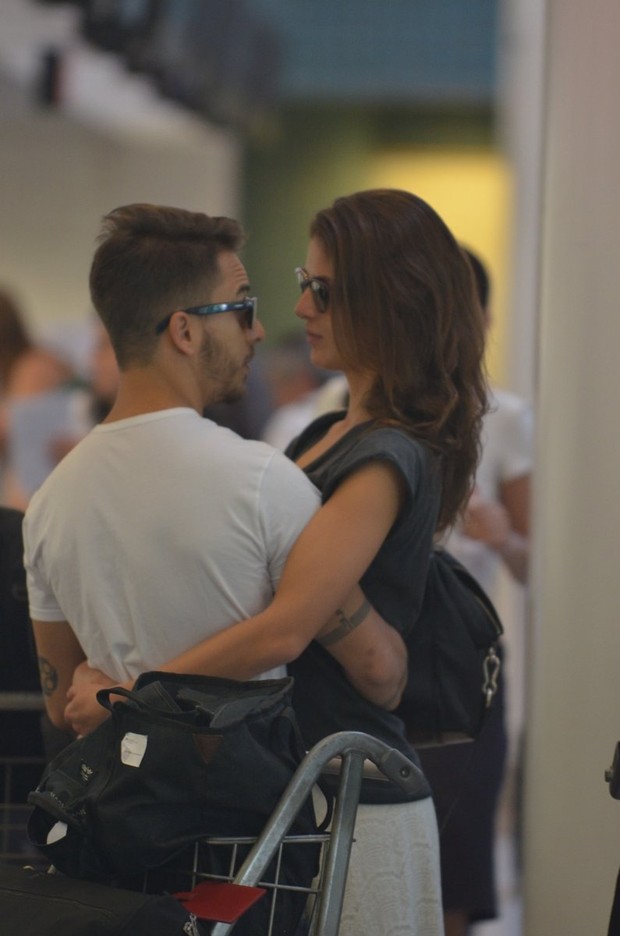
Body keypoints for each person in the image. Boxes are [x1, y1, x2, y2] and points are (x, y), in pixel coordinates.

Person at [63, 189, 488, 935]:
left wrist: (134, 696)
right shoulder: (325, 434)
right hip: (298, 792)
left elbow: (286, 628)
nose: (300, 308)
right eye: (303, 282)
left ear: (384, 300)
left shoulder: (386, 455)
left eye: (320, 289)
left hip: (350, 797)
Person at [418, 247, 533, 936]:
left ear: (485, 318)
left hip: (466, 663)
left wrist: (500, 536)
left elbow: (535, 563)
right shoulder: (341, 411)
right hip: (370, 656)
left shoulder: (507, 418)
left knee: (456, 870)